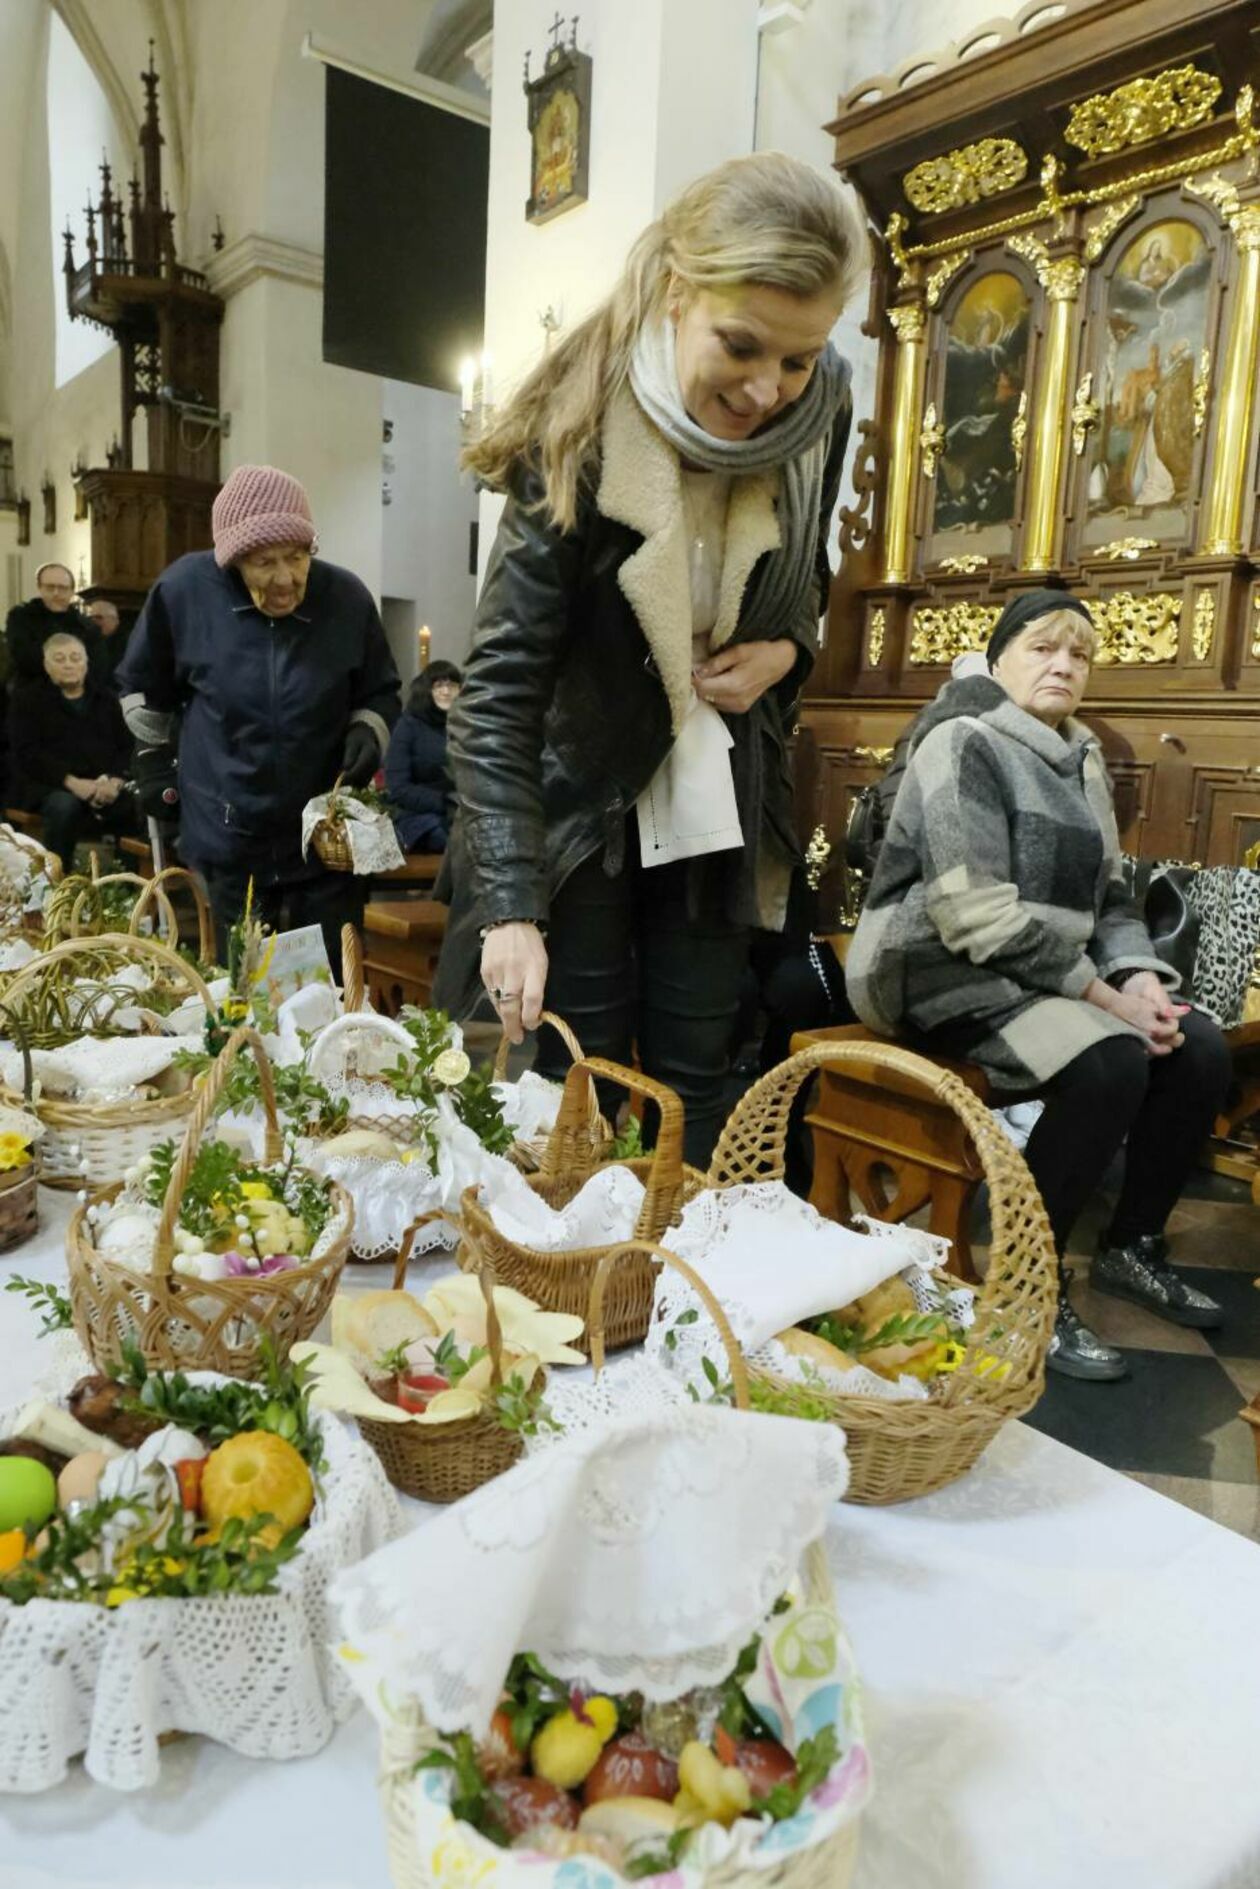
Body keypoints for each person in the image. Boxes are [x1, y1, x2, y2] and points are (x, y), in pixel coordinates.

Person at [433, 152, 864, 1166]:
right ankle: (564, 1313)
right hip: (579, 803)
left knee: (701, 1082)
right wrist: (510, 904)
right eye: (743, 345)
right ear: (679, 291)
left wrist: (785, 650)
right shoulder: (577, 424)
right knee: (570, 1089)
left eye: (798, 359)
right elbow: (495, 694)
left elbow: (811, 575)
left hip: (715, 795)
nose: (769, 390)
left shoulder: (822, 404)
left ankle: (685, 1299)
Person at [845, 588, 1229, 1380]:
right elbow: (970, 915)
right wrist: (1103, 997)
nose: (1063, 664)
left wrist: (1141, 977)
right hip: (932, 968)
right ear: (996, 661)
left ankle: (1131, 1247)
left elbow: (1112, 899)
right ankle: (1026, 1291)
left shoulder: (1082, 756)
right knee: (1111, 1061)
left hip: (1042, 975)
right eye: (1041, 647)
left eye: (1079, 653)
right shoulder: (963, 742)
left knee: (1199, 1045)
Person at [117, 464, 401, 973]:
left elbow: (380, 691)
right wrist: (153, 765)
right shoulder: (184, 593)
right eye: (265, 562)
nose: (286, 578)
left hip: (323, 836)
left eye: (296, 557)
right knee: (244, 986)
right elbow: (142, 691)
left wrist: (367, 728)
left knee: (329, 983)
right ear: (231, 560)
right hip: (230, 831)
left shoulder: (346, 598)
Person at [7, 632, 135, 873]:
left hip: (101, 784)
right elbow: (27, 753)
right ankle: (57, 884)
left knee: (132, 806)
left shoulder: (106, 699)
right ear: (47, 665)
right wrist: (73, 783)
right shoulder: (27, 700)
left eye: (75, 658)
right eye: (60, 658)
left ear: (86, 663)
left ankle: (127, 885)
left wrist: (115, 781)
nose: (69, 664)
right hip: (48, 786)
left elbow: (126, 746)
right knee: (65, 807)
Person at [385, 661, 463, 853]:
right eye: (439, 686)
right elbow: (398, 788)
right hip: (419, 815)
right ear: (427, 690)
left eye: (452, 685)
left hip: (463, 812)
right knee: (445, 837)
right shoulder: (409, 725)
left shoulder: (466, 725)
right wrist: (445, 801)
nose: (446, 691)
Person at [4, 563, 103, 681]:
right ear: (40, 588)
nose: (56, 593)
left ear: (71, 592)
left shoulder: (86, 626)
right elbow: (24, 657)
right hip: (32, 687)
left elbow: (97, 666)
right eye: (50, 587)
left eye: (62, 588)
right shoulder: (21, 617)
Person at [83, 597, 130, 679]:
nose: (93, 621)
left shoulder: (129, 643)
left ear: (115, 620)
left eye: (98, 617)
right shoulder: (88, 640)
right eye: (91, 618)